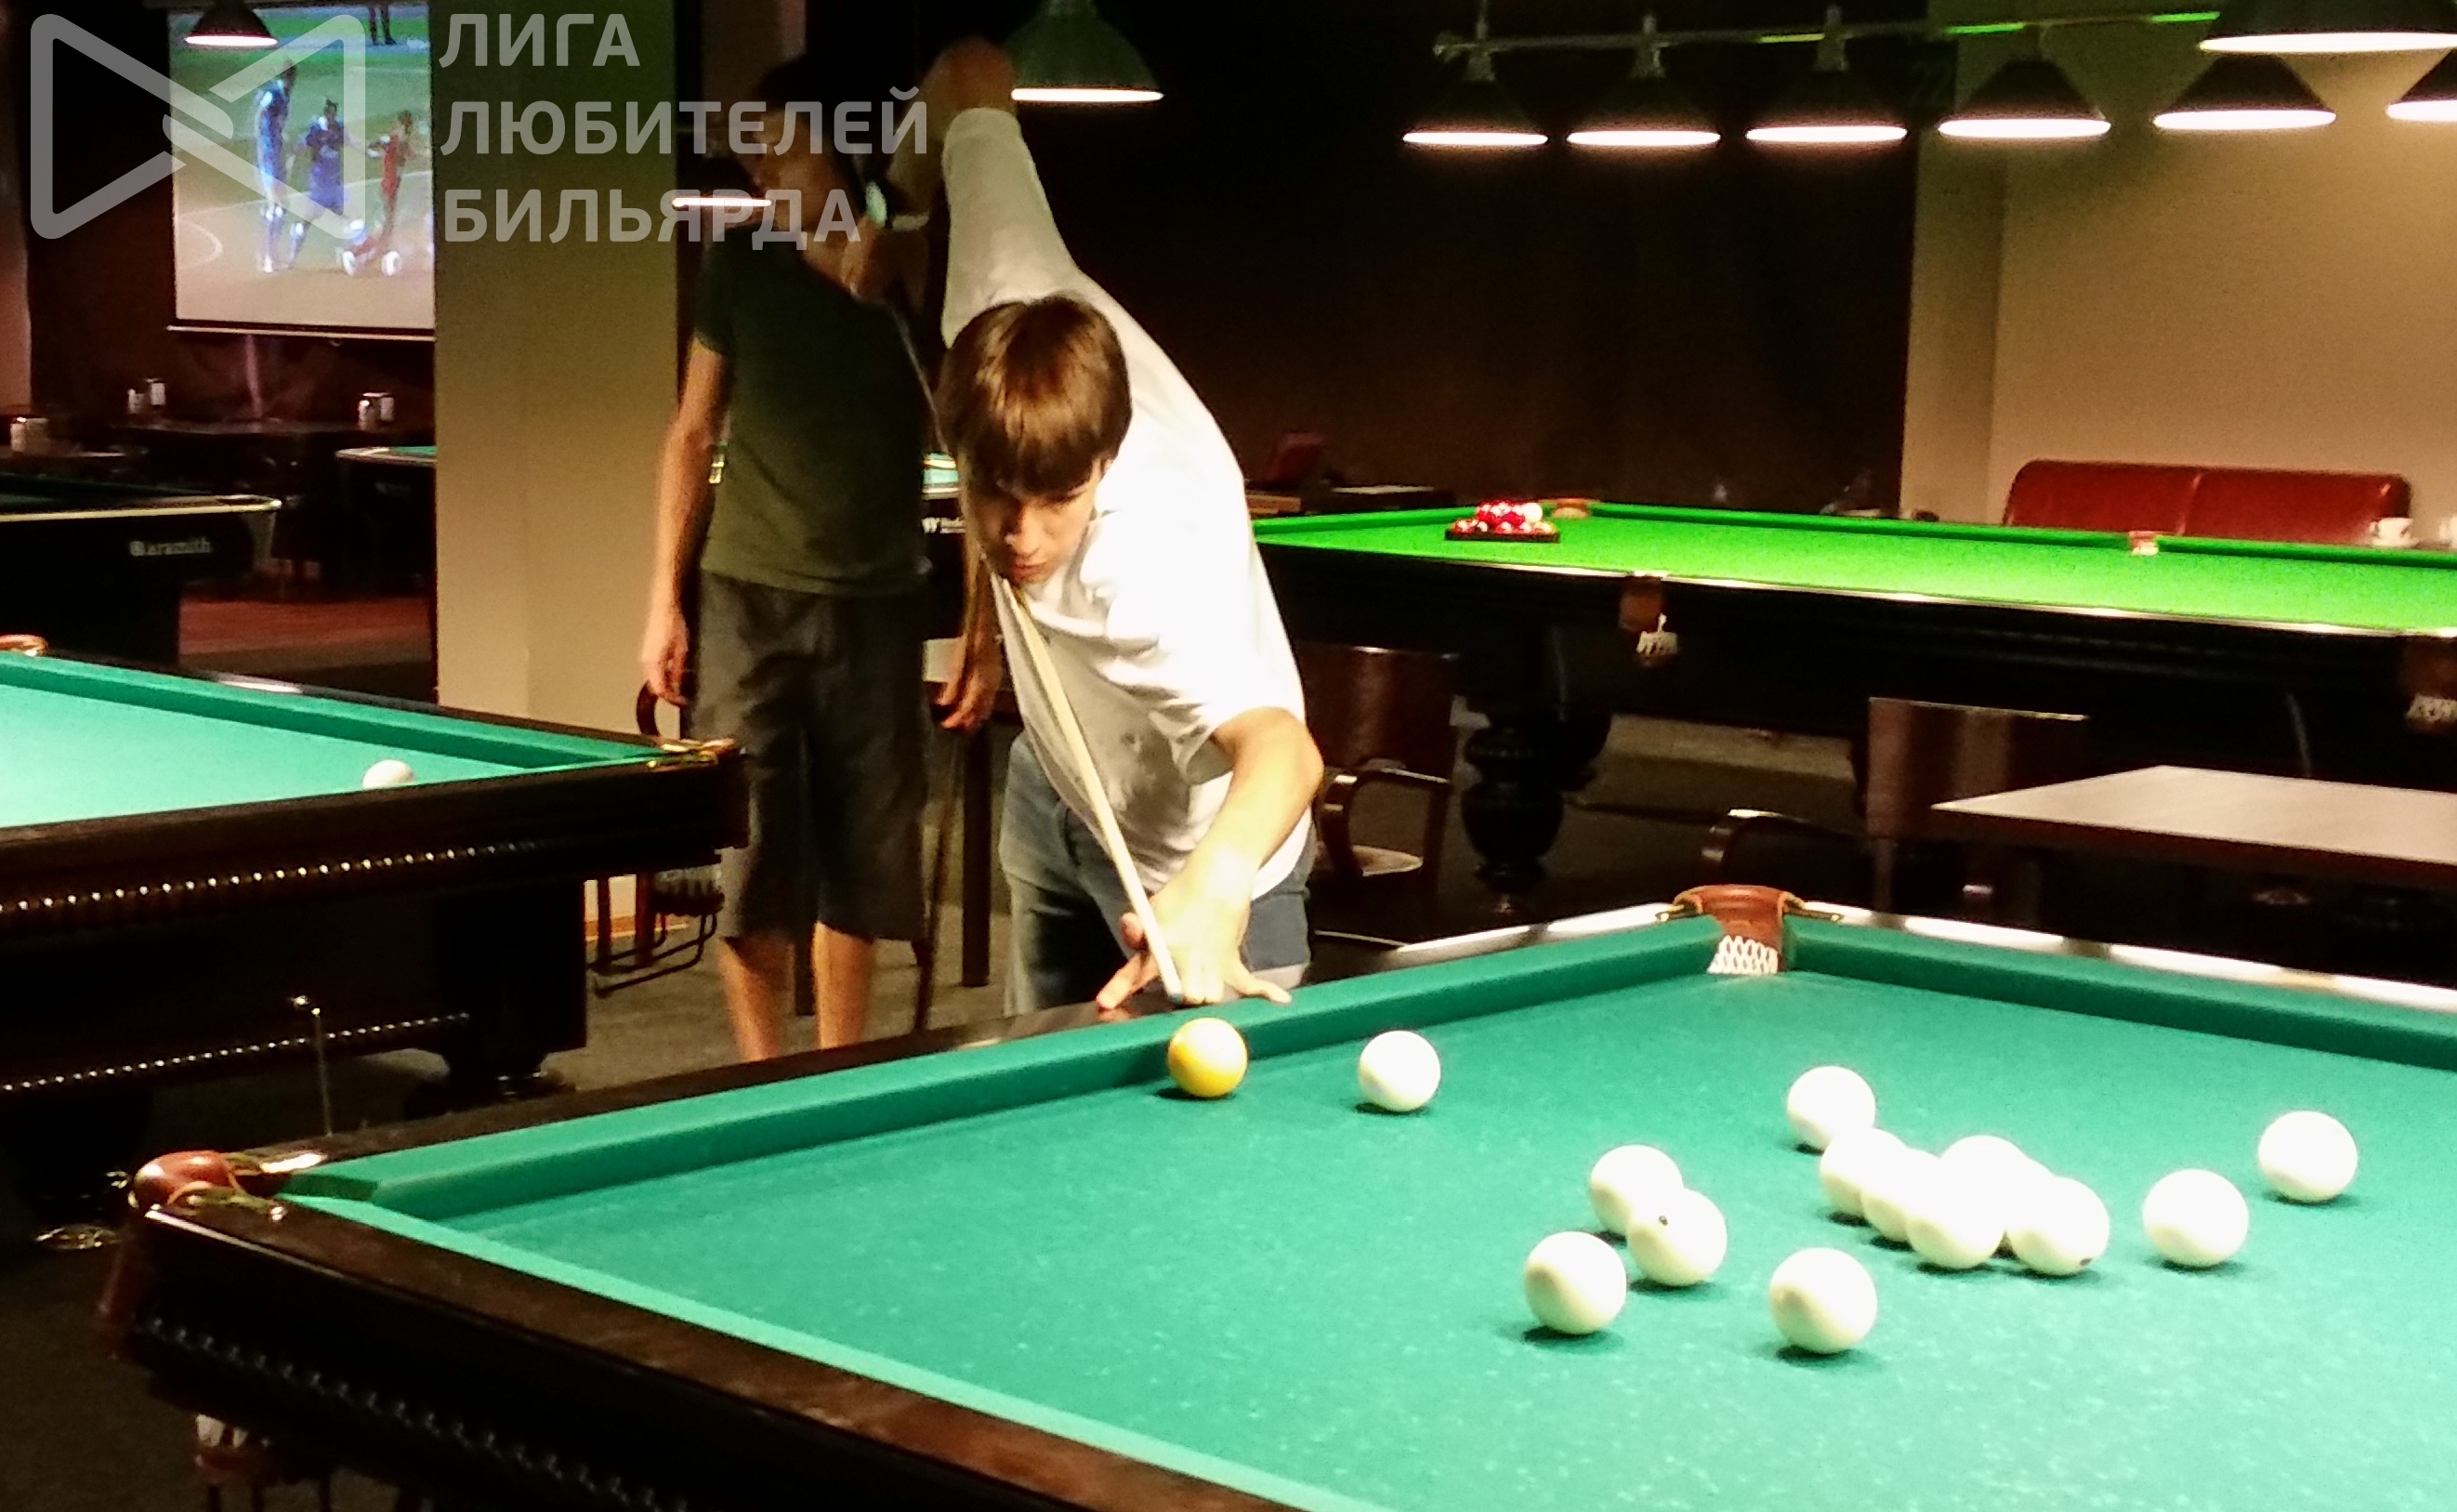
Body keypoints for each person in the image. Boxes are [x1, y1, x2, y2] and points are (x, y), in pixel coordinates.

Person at [875, 40, 1322, 1016]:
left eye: (1058, 501)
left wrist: (1214, 886)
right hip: (1057, 779)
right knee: (1037, 1072)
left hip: (1197, 850)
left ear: (1106, 461)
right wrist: (895, 215)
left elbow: (1285, 750)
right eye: (995, 496)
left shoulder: (1145, 571)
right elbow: (969, 73)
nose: (1021, 538)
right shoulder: (1000, 297)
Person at [640, 59, 932, 1058]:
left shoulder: (909, 269)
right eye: (752, 154)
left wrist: (981, 629)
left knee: (864, 865)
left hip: (878, 599)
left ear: (842, 151)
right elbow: (691, 433)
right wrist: (663, 602)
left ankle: (839, 1072)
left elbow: (972, 440)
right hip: (747, 594)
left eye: (780, 150)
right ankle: (762, 1078)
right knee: (753, 856)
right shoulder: (740, 261)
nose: (761, 173)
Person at [251, 67, 296, 273]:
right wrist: (260, 144)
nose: (293, 84)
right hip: (269, 156)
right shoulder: (273, 94)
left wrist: (283, 139)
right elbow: (259, 115)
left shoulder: (284, 96)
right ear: (286, 78)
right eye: (291, 79)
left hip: (277, 153)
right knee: (276, 206)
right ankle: (268, 256)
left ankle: (269, 251)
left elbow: (278, 124)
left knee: (282, 207)